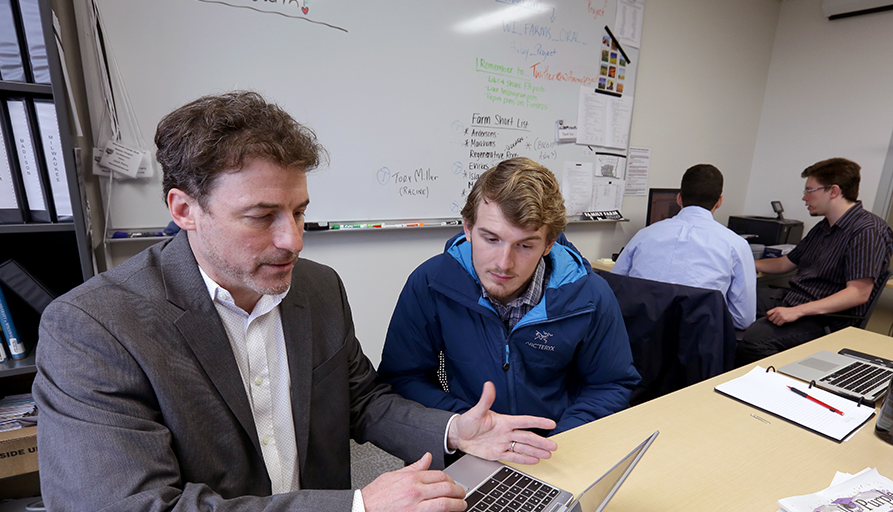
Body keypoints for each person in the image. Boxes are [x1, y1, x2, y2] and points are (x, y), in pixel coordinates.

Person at [32, 91, 559, 512]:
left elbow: (361, 398)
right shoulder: (92, 328)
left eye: (299, 211)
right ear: (184, 209)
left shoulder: (317, 288)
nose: (292, 240)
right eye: (262, 217)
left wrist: (451, 429)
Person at [377, 157, 639, 435]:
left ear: (549, 243)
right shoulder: (431, 283)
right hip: (466, 439)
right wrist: (464, 426)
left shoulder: (589, 296)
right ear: (467, 228)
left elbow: (611, 384)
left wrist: (559, 441)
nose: (504, 263)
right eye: (491, 239)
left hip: (554, 445)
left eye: (525, 245)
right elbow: (403, 377)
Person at [735, 157, 893, 365]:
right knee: (727, 301)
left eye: (810, 190)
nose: (804, 198)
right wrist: (740, 261)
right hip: (796, 300)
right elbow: (786, 264)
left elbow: (858, 293)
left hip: (826, 318)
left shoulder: (868, 230)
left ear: (834, 191)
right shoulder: (824, 226)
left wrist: (796, 311)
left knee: (755, 340)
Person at [611, 164, 757, 330]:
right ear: (719, 202)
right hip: (699, 347)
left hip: (639, 342)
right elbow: (743, 319)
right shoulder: (736, 245)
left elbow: (615, 291)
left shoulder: (644, 235)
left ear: (679, 198)